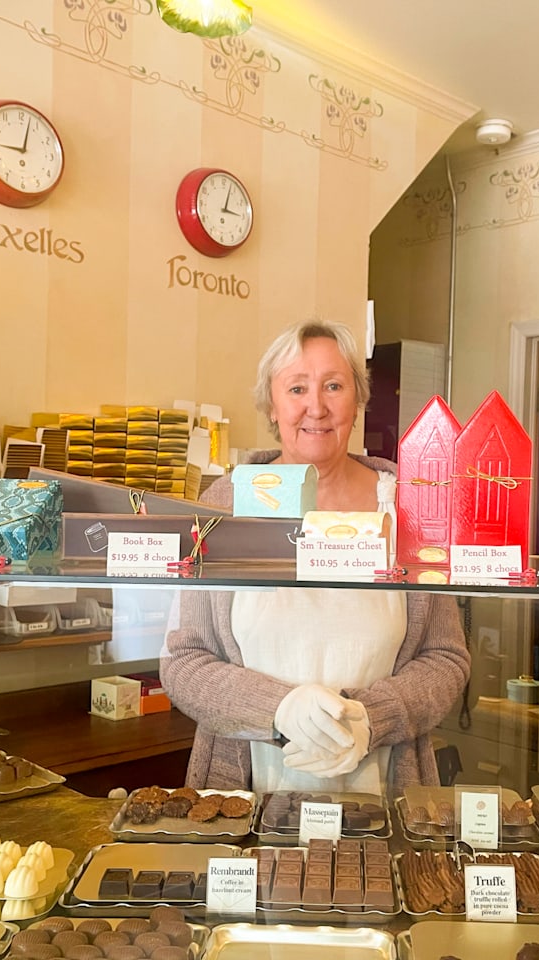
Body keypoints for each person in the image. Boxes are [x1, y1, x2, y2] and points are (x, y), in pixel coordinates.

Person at [161, 319, 470, 794]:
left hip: (384, 787)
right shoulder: (226, 503)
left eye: (333, 386)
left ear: (358, 398)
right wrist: (279, 709)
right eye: (297, 388)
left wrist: (370, 719)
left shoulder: (408, 504)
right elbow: (184, 661)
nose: (316, 407)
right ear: (271, 403)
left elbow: (445, 658)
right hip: (249, 792)